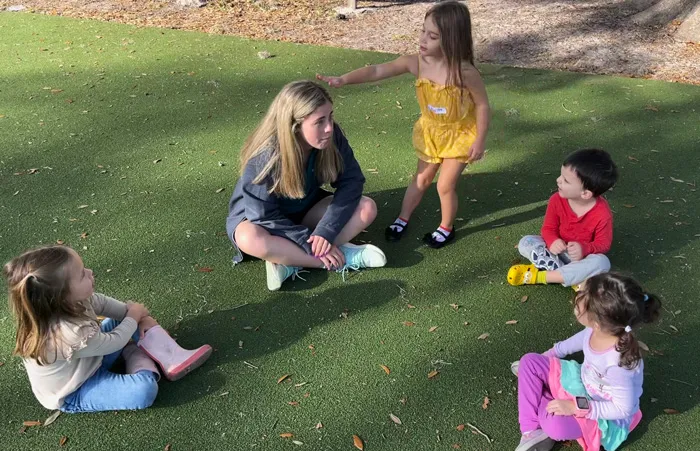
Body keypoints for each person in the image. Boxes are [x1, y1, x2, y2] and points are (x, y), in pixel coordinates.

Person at [317, 0, 490, 248]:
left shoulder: (465, 72)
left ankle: (446, 227)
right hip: (431, 132)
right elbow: (377, 71)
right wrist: (344, 79)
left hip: (459, 135)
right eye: (423, 31)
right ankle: (403, 217)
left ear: (451, 40)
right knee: (420, 179)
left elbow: (483, 105)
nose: (423, 39)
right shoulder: (416, 62)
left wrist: (480, 140)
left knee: (444, 185)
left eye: (433, 36)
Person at [4, 245, 212, 413]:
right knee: (144, 391)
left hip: (92, 356)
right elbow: (114, 341)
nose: (90, 272)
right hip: (76, 389)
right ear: (61, 297)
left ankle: (172, 355)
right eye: (82, 275)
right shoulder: (67, 334)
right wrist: (134, 316)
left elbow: (112, 308)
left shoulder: (72, 301)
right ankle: (135, 355)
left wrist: (141, 317)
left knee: (127, 321)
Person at [226, 80, 386, 291]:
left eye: (330, 116)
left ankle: (288, 262)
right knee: (249, 238)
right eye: (319, 121)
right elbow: (263, 216)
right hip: (263, 223)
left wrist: (326, 231)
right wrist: (309, 242)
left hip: (305, 210)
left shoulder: (332, 136)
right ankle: (337, 258)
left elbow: (352, 182)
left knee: (366, 208)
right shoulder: (265, 157)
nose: (329, 127)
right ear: (294, 126)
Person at [511, 272, 659, 451]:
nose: (579, 291)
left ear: (597, 323)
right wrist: (541, 363)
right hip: (581, 383)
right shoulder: (599, 329)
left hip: (600, 413)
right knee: (529, 362)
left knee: (556, 425)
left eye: (583, 295)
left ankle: (539, 404)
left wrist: (575, 406)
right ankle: (531, 432)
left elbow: (624, 409)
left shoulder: (620, 363)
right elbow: (570, 344)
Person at [507, 149, 618, 288]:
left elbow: (603, 244)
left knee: (602, 262)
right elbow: (548, 228)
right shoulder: (556, 200)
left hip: (579, 259)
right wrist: (552, 240)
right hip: (554, 251)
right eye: (561, 175)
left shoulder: (602, 213)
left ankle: (539, 276)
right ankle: (574, 279)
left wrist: (584, 248)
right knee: (526, 242)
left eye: (565, 180)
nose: (558, 180)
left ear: (585, 194)